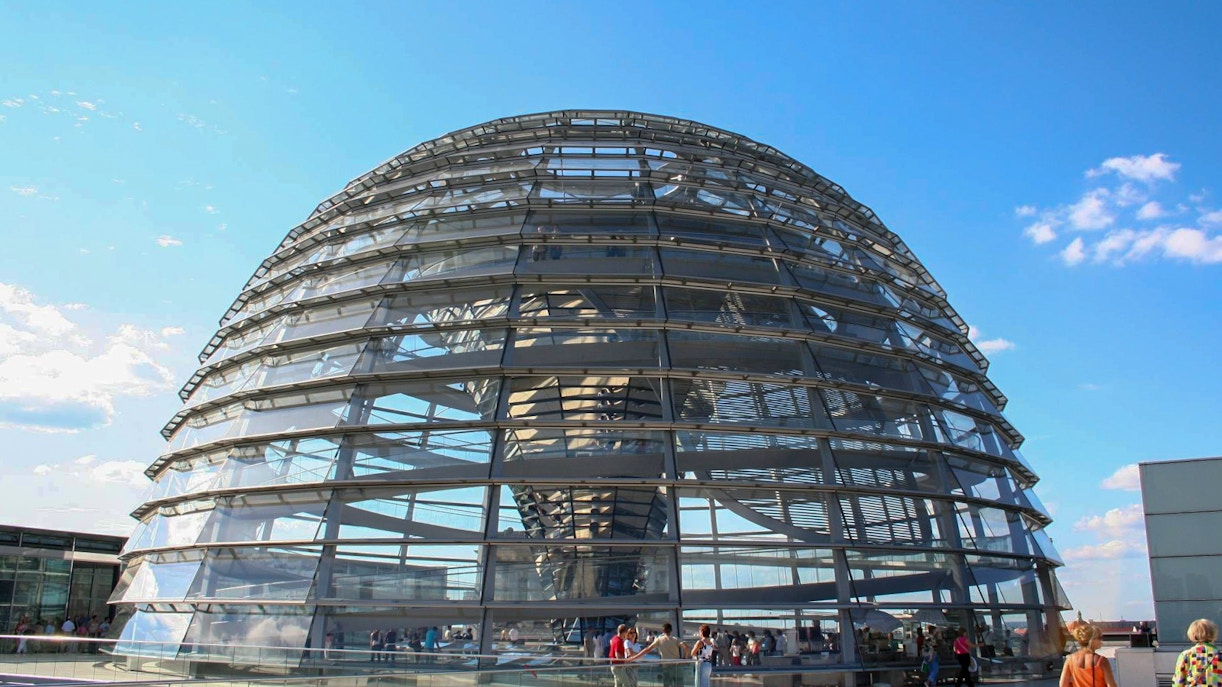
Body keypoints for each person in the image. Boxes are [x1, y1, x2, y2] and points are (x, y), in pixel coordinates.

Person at [629, 622, 686, 687]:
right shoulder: (676, 639)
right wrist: (685, 658)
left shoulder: (659, 640)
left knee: (667, 684)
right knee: (679, 684)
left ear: (663, 631)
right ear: (671, 630)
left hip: (666, 666)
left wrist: (635, 657)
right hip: (677, 666)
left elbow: (647, 649)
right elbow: (686, 647)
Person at [1059, 622, 1116, 687]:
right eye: (1100, 638)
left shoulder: (1070, 660)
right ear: (1092, 640)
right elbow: (1111, 685)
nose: (1101, 640)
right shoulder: (1102, 661)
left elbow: (1063, 685)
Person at [1173, 619, 1222, 687]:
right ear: (1213, 634)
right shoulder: (1220, 655)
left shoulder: (1186, 655)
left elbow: (1178, 682)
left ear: (1192, 635)